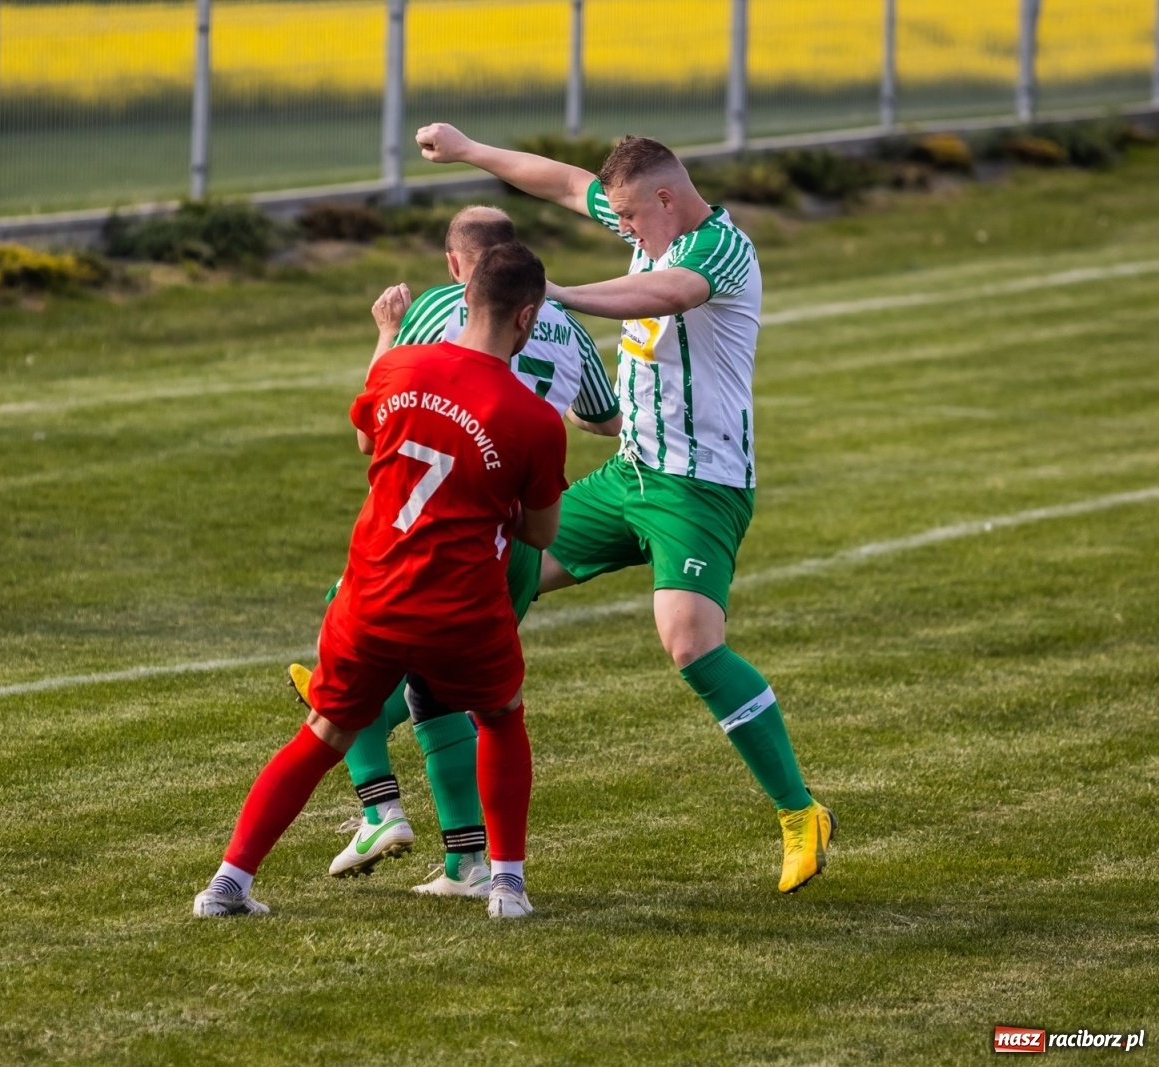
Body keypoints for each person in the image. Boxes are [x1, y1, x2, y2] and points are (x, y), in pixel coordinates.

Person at [411, 124, 835, 893]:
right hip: (628, 474)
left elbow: (668, 294)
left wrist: (558, 295)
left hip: (698, 485)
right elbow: (565, 182)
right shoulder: (647, 218)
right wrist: (472, 150)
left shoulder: (720, 251)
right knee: (489, 575)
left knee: (689, 643)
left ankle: (801, 812)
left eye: (633, 218)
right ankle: (427, 802)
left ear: (667, 199)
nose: (625, 230)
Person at [194, 243, 569, 920]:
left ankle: (228, 883)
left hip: (371, 594)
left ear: (466, 295)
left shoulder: (399, 362)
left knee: (323, 732)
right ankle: (505, 883)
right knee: (500, 716)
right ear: (528, 316)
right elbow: (541, 533)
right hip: (462, 606)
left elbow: (369, 440)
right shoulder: (533, 417)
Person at [286, 204, 620, 897]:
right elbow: (605, 417)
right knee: (448, 691)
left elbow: (371, 427)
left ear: (456, 268)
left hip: (426, 527)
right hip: (517, 539)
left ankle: (381, 808)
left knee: (350, 666)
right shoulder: (565, 327)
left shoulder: (437, 307)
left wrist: (383, 333)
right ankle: (473, 863)